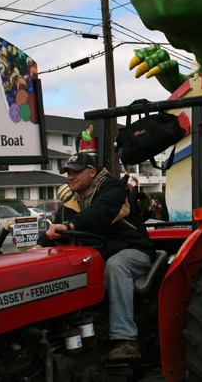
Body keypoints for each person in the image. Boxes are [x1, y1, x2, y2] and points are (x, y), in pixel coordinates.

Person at [46, 151, 155, 362]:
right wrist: (39, 246)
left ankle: (126, 339)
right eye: (67, 173)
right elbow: (57, 227)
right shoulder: (73, 201)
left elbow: (99, 212)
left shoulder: (112, 190)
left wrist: (70, 225)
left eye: (76, 172)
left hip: (134, 250)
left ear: (92, 172)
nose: (70, 177)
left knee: (117, 265)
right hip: (102, 254)